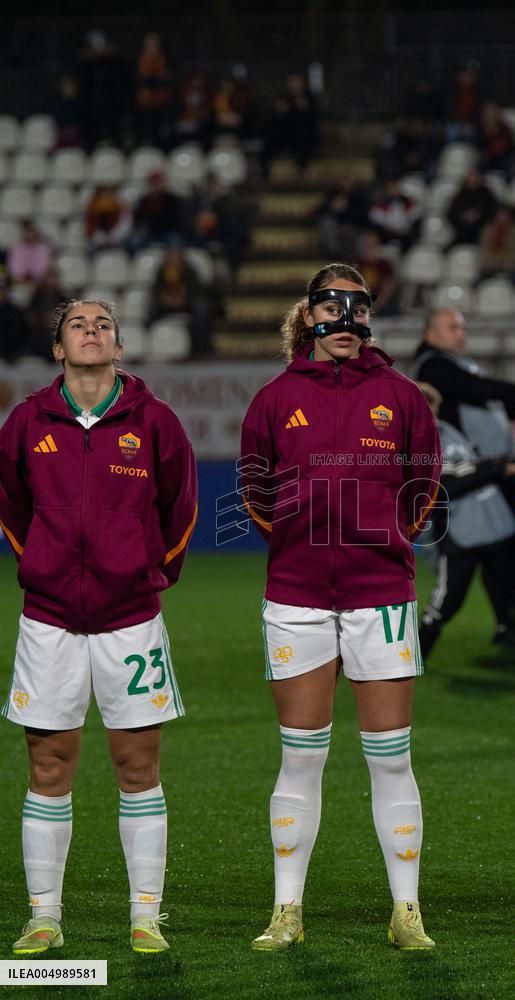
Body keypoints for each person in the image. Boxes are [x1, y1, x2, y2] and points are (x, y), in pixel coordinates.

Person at [240, 263, 442, 951]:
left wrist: (380, 543)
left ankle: (406, 911)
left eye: (358, 308)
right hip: (295, 595)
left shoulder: (401, 396)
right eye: (334, 307)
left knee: (390, 758)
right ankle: (287, 911)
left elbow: (423, 486)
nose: (347, 320)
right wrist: (300, 542)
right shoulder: (274, 399)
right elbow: (254, 489)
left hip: (380, 593)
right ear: (312, 315)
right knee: (301, 757)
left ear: (368, 319)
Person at [0, 299, 197, 955]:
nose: (92, 330)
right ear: (58, 348)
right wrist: (43, 566)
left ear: (119, 345)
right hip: (49, 619)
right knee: (48, 763)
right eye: (78, 325)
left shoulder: (157, 422)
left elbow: (181, 508)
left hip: (131, 620)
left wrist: (147, 574)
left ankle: (145, 916)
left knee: (136, 764)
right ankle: (44, 918)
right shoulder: (28, 422)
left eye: (104, 324)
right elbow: (11, 508)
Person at [412, 308, 515, 644]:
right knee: (468, 569)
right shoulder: (434, 365)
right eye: (452, 327)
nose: (460, 334)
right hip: (467, 486)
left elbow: (485, 396)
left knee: (500, 553)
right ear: (430, 332)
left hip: (488, 480)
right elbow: (476, 389)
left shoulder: (458, 364)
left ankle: (510, 624)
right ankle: (423, 639)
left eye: (462, 327)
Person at [416, 382, 515, 661]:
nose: (430, 411)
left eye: (432, 406)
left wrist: (492, 466)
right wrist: (495, 467)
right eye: (423, 405)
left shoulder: (448, 431)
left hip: (494, 525)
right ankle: (416, 650)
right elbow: (444, 484)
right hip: (459, 532)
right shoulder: (411, 443)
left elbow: (469, 466)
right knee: (449, 601)